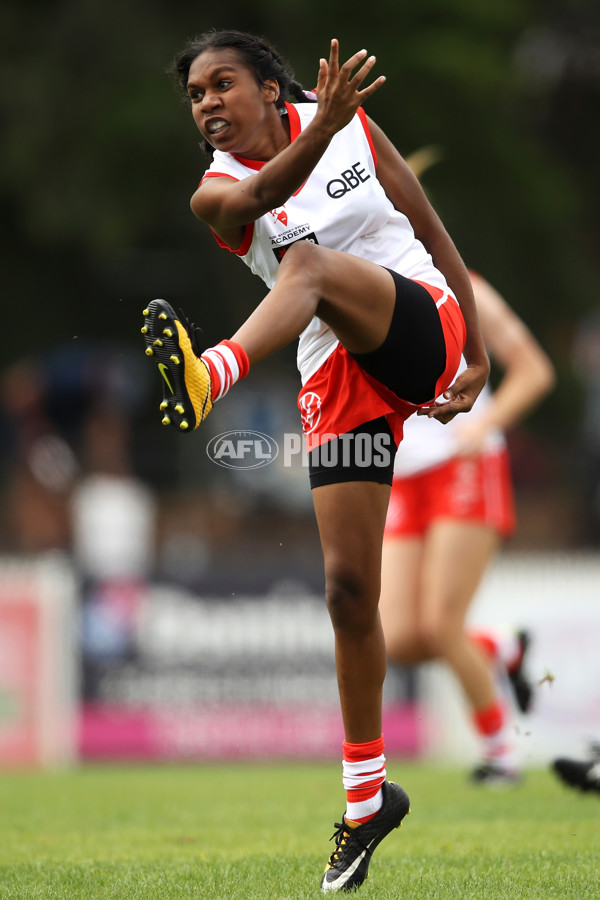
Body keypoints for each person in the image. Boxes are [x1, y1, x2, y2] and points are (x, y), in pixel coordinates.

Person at [141, 30, 490, 892]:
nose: (208, 103)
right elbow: (268, 189)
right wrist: (319, 128)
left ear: (268, 88)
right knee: (346, 590)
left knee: (309, 262)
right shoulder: (215, 194)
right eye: (195, 95)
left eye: (223, 84)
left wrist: (478, 352)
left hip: (420, 325)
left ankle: (212, 369)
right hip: (335, 369)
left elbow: (427, 221)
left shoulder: (349, 125)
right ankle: (367, 802)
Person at [379, 269, 555, 785]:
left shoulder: (459, 284)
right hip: (405, 475)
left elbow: (534, 370)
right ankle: (503, 647)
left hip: (464, 463)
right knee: (401, 638)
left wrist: (484, 425)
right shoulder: (359, 282)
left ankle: (502, 755)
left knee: (440, 624)